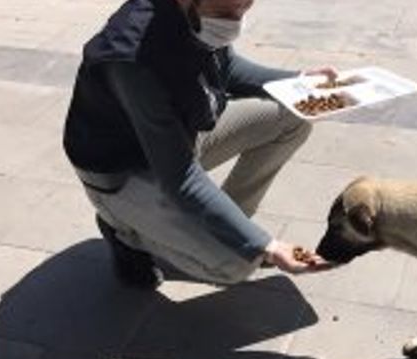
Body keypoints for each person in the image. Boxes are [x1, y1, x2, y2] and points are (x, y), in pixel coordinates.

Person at [63, 0, 333, 288]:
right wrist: (265, 246)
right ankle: (125, 231)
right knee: (238, 263)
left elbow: (227, 66)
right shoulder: (134, 59)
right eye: (225, 13)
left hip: (176, 139)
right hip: (125, 171)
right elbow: (180, 178)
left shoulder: (198, 15)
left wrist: (298, 83)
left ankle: (224, 225)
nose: (235, 20)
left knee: (295, 113)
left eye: (245, 7)